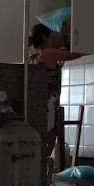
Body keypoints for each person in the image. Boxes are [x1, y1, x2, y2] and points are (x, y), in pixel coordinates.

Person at [28, 23, 86, 165]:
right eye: (51, 37)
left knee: (44, 136)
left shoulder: (33, 57)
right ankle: (43, 167)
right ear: (45, 37)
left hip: (38, 103)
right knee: (50, 134)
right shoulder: (48, 53)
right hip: (49, 102)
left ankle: (40, 166)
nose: (53, 40)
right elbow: (77, 54)